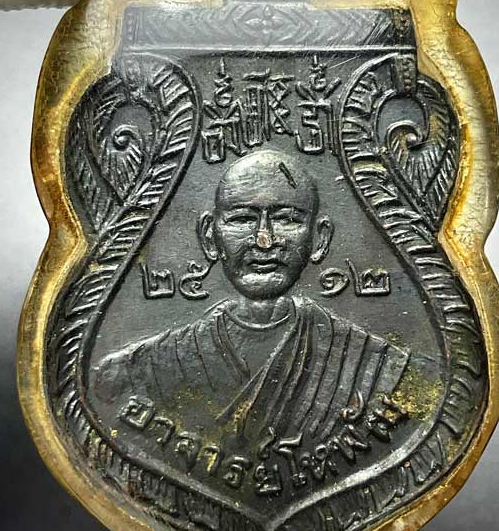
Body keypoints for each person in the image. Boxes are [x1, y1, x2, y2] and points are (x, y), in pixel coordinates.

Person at [94, 150, 411, 443]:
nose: (264, 240)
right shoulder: (150, 364)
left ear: (319, 238)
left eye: (287, 219)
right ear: (209, 236)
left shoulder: (373, 362)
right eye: (242, 219)